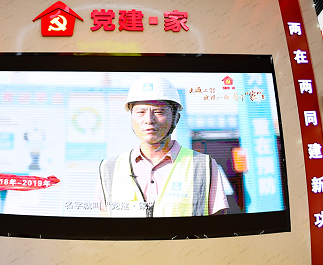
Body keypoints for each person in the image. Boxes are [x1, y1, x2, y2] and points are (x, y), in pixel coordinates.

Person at [99, 75, 239, 217]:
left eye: (159, 112)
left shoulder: (203, 166)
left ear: (176, 118)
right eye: (140, 112)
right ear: (131, 117)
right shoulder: (109, 169)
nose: (149, 120)